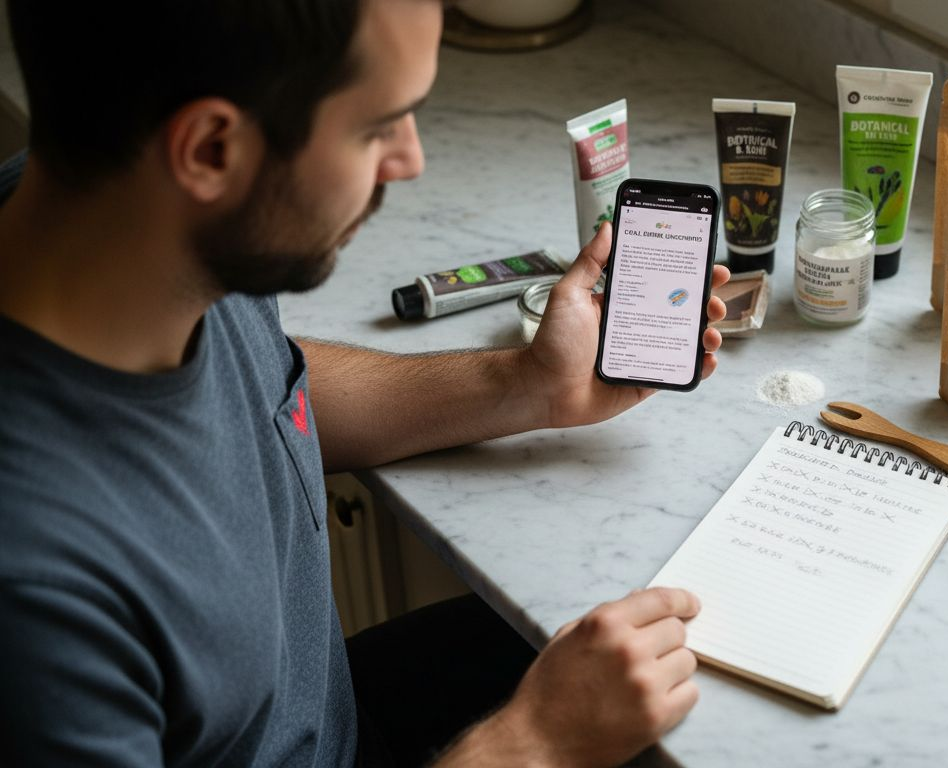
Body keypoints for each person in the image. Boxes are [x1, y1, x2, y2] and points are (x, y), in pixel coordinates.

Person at [0, 0, 730, 766]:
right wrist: (535, 743)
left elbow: (268, 390)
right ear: (211, 149)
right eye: (380, 126)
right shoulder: (40, 599)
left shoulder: (122, 221)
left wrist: (524, 384)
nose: (409, 159)